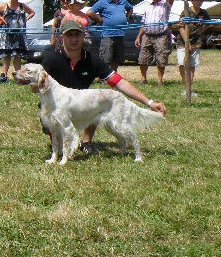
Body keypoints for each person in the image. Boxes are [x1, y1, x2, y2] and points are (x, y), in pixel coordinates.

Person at [41, 20, 166, 155]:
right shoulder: (52, 60)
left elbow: (119, 83)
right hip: (57, 105)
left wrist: (149, 102)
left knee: (95, 102)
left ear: (83, 36)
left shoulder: (92, 60)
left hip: (81, 106)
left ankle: (86, 143)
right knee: (50, 120)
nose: (73, 39)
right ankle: (58, 142)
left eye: (77, 35)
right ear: (62, 37)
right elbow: (38, 83)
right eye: (69, 35)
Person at [86, 0, 133, 72]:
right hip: (107, 34)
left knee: (117, 58)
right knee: (105, 58)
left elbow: (130, 8)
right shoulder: (103, 2)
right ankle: (102, 77)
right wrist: (99, 20)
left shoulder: (122, 0)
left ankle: (113, 76)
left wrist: (127, 17)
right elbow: (89, 12)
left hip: (120, 33)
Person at [0, 0, 36, 83]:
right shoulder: (5, 5)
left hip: (19, 35)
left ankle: (19, 77)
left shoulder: (22, 6)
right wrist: (1, 19)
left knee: (18, 56)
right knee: (6, 56)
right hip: (8, 35)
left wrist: (26, 19)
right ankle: (4, 77)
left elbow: (32, 12)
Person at [134, 0, 174, 87]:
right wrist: (139, 36)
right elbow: (143, 23)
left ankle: (159, 81)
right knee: (143, 57)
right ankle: (143, 79)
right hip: (147, 35)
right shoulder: (148, 7)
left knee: (161, 58)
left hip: (161, 35)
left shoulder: (165, 5)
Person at [176, 0, 211, 96]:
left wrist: (200, 32)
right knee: (182, 63)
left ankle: (189, 89)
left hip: (196, 42)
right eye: (197, 0)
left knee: (192, 65)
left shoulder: (203, 13)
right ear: (192, 1)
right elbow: (181, 27)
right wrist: (187, 43)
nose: (199, 2)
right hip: (183, 41)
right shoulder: (186, 11)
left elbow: (208, 23)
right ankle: (185, 86)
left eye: (201, 0)